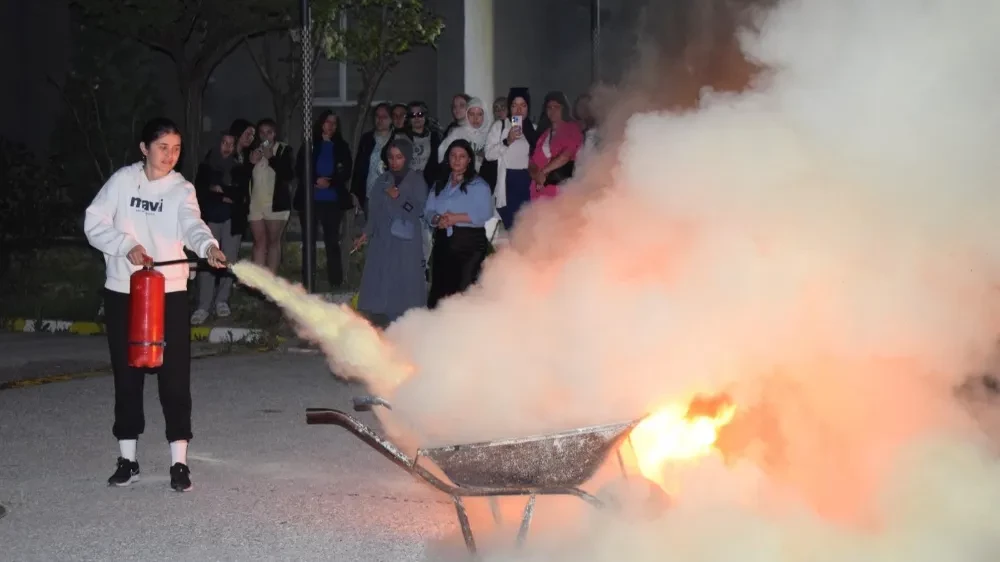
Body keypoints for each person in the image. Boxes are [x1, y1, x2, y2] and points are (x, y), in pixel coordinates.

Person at [83, 117, 227, 493]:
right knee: (127, 379)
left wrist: (208, 247)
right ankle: (127, 460)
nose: (170, 155)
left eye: (176, 148)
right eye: (163, 147)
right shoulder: (122, 181)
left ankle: (179, 464)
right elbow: (93, 222)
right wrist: (125, 246)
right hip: (124, 292)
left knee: (175, 381)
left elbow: (192, 225)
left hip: (169, 294)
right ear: (144, 148)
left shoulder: (181, 189)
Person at [352, 137, 429, 326]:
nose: (394, 162)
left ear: (407, 158)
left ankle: (407, 322)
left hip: (405, 241)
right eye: (391, 157)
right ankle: (383, 319)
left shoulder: (416, 180)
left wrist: (400, 197)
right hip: (382, 239)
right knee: (382, 276)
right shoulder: (382, 179)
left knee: (404, 277)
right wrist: (366, 232)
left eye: (399, 157)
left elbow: (420, 209)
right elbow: (374, 209)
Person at [191, 124, 251, 324]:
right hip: (210, 218)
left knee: (229, 259)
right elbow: (201, 193)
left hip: (232, 219)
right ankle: (203, 305)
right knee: (208, 260)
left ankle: (222, 301)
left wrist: (221, 190)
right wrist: (224, 194)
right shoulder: (206, 166)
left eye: (231, 144)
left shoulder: (238, 167)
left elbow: (240, 195)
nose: (227, 147)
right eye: (224, 143)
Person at [425, 139, 494, 308]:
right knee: (441, 291)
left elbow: (485, 213)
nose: (457, 160)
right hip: (443, 243)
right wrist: (437, 219)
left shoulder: (479, 185)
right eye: (453, 155)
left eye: (462, 156)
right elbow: (428, 211)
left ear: (469, 159)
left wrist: (456, 218)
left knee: (464, 292)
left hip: (469, 245)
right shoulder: (440, 184)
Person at [295, 110, 354, 290]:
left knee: (332, 242)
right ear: (321, 123)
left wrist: (331, 181)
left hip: (333, 200)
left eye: (334, 123)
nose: (331, 126)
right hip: (310, 200)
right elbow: (300, 168)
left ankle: (335, 281)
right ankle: (308, 282)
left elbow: (346, 170)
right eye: (328, 122)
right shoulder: (310, 144)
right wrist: (315, 180)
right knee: (309, 242)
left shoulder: (341, 145)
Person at [486, 87, 539, 230]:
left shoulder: (534, 129)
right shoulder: (500, 126)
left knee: (528, 229)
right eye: (514, 105)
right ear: (509, 107)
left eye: (523, 105)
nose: (519, 110)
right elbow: (489, 154)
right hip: (507, 181)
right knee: (513, 229)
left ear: (528, 108)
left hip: (528, 181)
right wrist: (507, 141)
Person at [247, 118, 294, 273]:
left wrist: (271, 158)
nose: (265, 136)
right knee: (259, 242)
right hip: (255, 204)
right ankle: (258, 284)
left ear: (274, 134)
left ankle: (270, 283)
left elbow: (288, 175)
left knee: (273, 242)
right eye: (261, 132)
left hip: (275, 205)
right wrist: (250, 163)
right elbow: (244, 177)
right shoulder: (253, 150)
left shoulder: (283, 150)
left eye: (269, 132)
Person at [530, 91, 583, 200]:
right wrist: (536, 175)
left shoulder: (572, 129)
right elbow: (531, 162)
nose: (553, 110)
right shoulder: (543, 134)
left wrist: (543, 172)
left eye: (556, 107)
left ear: (564, 109)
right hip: (539, 190)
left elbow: (566, 155)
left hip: (562, 191)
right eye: (549, 107)